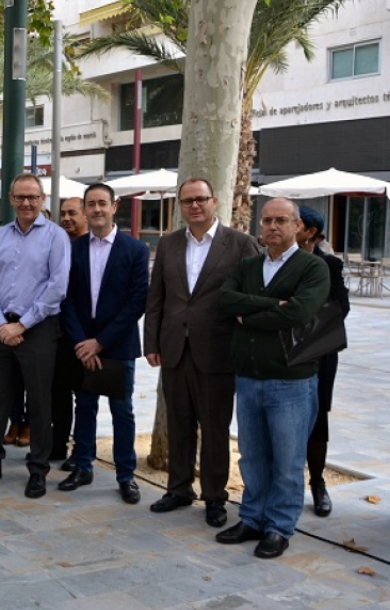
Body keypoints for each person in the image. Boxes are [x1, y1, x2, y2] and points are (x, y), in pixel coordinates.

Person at [216, 197, 330, 559]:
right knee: (252, 457)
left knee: (287, 461)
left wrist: (247, 314)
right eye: (266, 221)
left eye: (281, 220)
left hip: (290, 382)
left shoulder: (313, 268)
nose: (272, 227)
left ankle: (279, 527)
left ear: (298, 226)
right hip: (248, 379)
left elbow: (298, 314)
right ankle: (252, 518)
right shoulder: (249, 266)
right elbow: (225, 300)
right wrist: (271, 305)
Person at [143, 178, 259, 527]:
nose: (194, 205)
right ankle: (179, 489)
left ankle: (214, 496)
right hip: (174, 349)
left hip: (218, 351)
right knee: (178, 424)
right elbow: (156, 297)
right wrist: (151, 343)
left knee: (214, 428)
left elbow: (252, 297)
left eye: (200, 199)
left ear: (214, 201)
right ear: (179, 205)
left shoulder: (239, 244)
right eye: (187, 200)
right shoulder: (169, 244)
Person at [0, 173, 70, 499]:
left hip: (37, 330)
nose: (26, 203)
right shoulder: (0, 236)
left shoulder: (56, 236)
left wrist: (22, 325)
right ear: (11, 199)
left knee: (39, 403)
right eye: (20, 197)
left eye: (32, 197)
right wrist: (0, 324)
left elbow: (57, 287)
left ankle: (38, 470)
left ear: (42, 199)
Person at [58, 183, 148, 505]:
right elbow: (65, 299)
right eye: (91, 204)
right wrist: (83, 342)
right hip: (82, 344)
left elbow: (137, 302)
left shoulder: (135, 250)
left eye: (102, 203)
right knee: (84, 407)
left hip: (118, 345)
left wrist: (100, 342)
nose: (97, 209)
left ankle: (126, 476)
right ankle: (83, 466)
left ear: (114, 206)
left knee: (122, 413)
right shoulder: (73, 250)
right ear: (85, 209)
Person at [296, 206, 349, 517]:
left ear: (310, 232)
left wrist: (296, 317)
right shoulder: (272, 261)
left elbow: (341, 307)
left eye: (295, 223)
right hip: (279, 354)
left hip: (319, 353)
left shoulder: (329, 264)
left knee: (318, 419)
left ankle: (317, 482)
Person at [51, 196, 89, 467]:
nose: (66, 218)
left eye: (72, 213)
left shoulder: (92, 248)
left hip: (86, 339)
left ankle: (81, 452)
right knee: (58, 394)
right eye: (63, 213)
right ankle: (57, 446)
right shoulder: (58, 246)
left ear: (85, 215)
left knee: (85, 399)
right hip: (57, 336)